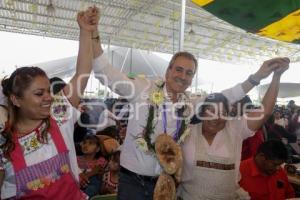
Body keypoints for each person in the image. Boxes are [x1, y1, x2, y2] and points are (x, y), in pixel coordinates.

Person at [84, 7, 289, 200]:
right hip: (133, 182)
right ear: (168, 71)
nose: (183, 76)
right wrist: (93, 34)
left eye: (189, 73)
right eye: (179, 70)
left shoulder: (189, 104)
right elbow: (107, 75)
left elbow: (226, 95)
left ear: (192, 78)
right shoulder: (143, 89)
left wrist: (257, 77)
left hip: (167, 182)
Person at [0, 7, 97, 199]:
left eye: (48, 91)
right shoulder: (5, 142)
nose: (48, 97)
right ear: (16, 99)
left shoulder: (59, 114)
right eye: (39, 93)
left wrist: (85, 31)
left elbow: (82, 72)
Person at [178, 60, 289, 199]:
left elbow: (265, 112)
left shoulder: (236, 128)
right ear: (201, 112)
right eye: (210, 110)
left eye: (222, 112)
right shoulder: (186, 130)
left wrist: (276, 77)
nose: (215, 117)